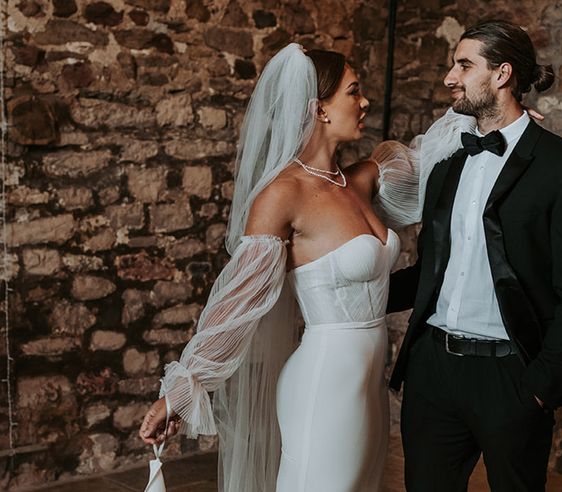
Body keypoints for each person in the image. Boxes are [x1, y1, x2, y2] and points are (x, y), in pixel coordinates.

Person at [138, 43, 472, 492]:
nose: (365, 101)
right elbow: (238, 303)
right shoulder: (282, 194)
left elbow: (431, 153)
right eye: (354, 92)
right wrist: (179, 394)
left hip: (369, 384)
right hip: (324, 383)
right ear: (320, 109)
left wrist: (502, 123)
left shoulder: (360, 181)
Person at [387, 20, 562, 492]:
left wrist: (539, 388)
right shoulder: (446, 162)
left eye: (464, 64)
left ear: (503, 74)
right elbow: (430, 271)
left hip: (512, 377)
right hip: (433, 372)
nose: (450, 77)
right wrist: (343, 293)